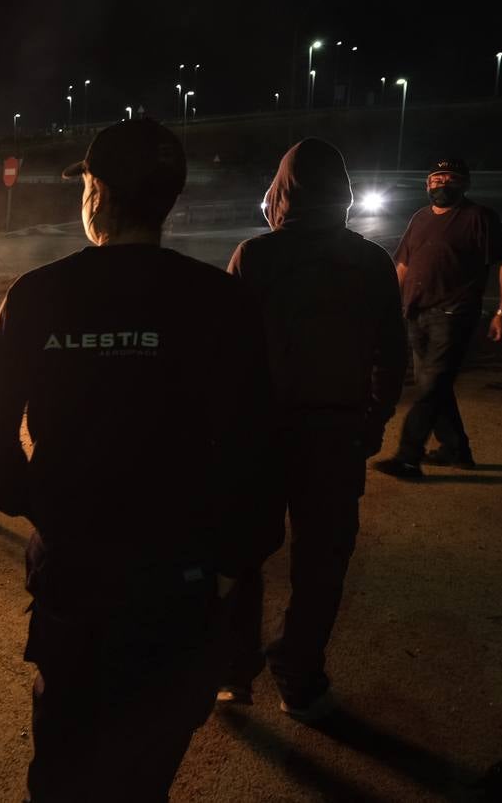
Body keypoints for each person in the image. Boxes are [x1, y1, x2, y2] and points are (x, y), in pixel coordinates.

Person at [0, 119, 282, 802]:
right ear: (167, 199)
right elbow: (259, 448)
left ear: (98, 194)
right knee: (147, 766)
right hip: (181, 582)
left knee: (63, 762)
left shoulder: (39, 295)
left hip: (76, 574)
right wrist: (233, 560)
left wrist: (40, 505)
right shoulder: (223, 302)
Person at [219, 138, 407, 721]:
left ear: (281, 192)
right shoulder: (371, 261)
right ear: (343, 194)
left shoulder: (255, 257)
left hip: (261, 435)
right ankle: (297, 676)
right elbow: (392, 355)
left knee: (242, 553)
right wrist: (372, 423)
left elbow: (227, 357)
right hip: (335, 434)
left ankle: (233, 670)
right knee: (321, 562)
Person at [374, 158, 502, 478]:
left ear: (464, 184)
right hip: (415, 313)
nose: (440, 185)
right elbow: (404, 265)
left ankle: (408, 457)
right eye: (435, 180)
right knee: (433, 385)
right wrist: (388, 303)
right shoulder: (419, 218)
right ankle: (456, 450)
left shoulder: (479, 218)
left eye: (449, 179)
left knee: (431, 387)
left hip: (454, 314)